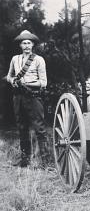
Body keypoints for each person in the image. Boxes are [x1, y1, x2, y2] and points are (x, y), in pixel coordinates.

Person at [7, 30, 49, 168]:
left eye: (28, 43)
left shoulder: (38, 60)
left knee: (39, 129)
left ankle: (44, 162)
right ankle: (25, 160)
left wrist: (26, 83)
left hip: (33, 96)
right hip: (18, 97)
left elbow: (43, 83)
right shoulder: (15, 59)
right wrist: (13, 80)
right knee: (22, 127)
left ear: (33, 45)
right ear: (20, 45)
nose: (26, 45)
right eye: (23, 43)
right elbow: (9, 76)